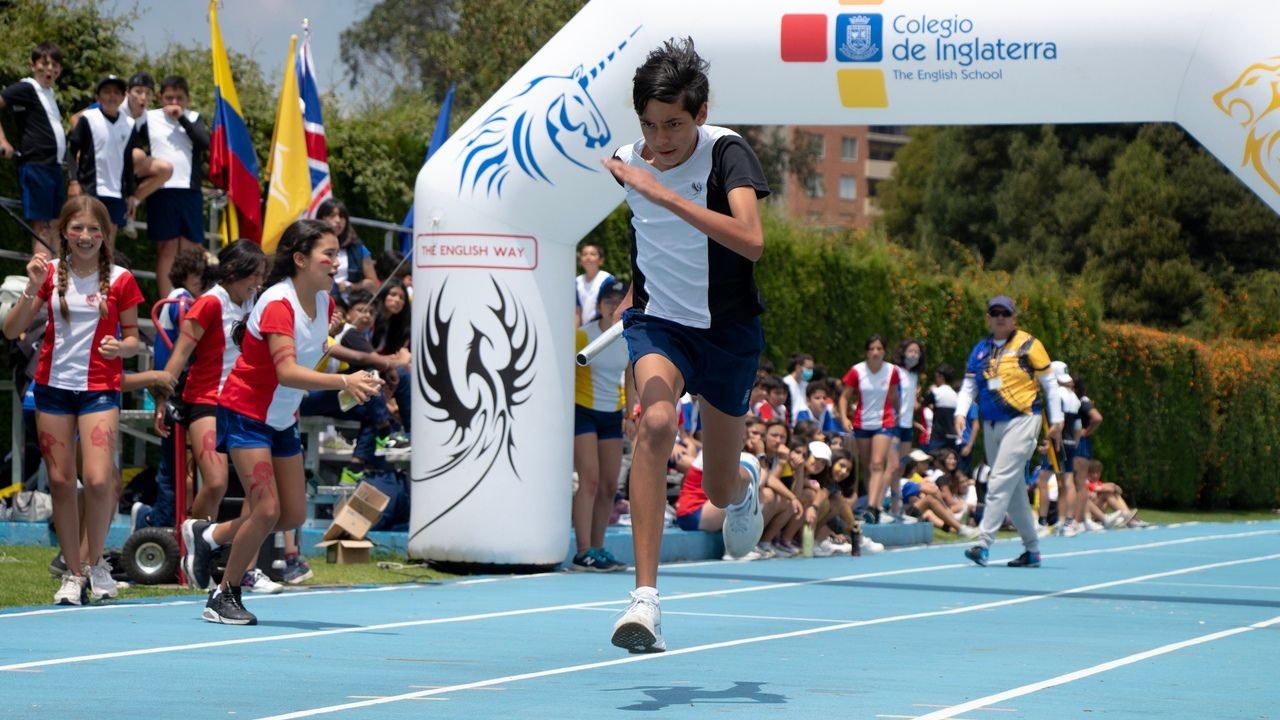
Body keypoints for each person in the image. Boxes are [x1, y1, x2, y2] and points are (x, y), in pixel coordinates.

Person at [602, 37, 769, 653]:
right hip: (660, 324)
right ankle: (645, 599)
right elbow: (648, 241)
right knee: (655, 422)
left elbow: (751, 240)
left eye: (673, 124)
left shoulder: (727, 151)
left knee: (719, 489)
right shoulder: (628, 160)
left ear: (700, 113)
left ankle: (743, 485)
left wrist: (664, 194)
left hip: (727, 332)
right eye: (650, 124)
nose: (661, 138)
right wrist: (629, 298)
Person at [201, 219, 383, 625]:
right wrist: (345, 380)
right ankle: (223, 594)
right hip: (247, 412)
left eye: (337, 254)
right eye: (328, 254)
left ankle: (210, 535)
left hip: (281, 417)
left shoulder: (325, 304)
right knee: (266, 510)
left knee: (292, 515)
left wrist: (352, 377)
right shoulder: (278, 304)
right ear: (300, 259)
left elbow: (310, 358)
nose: (337, 263)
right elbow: (286, 372)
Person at [3, 196, 144, 604]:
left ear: (105, 234)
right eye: (78, 228)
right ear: (64, 232)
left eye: (94, 229)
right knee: (62, 483)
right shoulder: (48, 273)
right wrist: (31, 288)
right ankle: (73, 572)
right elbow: (11, 330)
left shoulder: (121, 279)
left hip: (99, 389)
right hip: (52, 389)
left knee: (99, 480)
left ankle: (95, 562)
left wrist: (122, 347)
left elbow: (134, 338)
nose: (86, 236)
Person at [150, 241, 265, 587]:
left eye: (261, 276)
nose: (258, 283)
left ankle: (246, 569)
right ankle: (196, 546)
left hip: (245, 401)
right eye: (253, 275)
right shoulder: (209, 303)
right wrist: (161, 400)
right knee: (215, 481)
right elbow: (180, 354)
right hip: (206, 400)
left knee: (259, 491)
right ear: (233, 272)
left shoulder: (256, 303)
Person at [956, 295, 1063, 569]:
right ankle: (1032, 550)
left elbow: (1050, 384)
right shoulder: (980, 350)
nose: (1000, 318)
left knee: (999, 480)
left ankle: (983, 544)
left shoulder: (1029, 345)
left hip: (1023, 419)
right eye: (995, 313)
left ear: (1014, 318)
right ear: (988, 318)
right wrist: (960, 413)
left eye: (1005, 313)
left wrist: (1057, 420)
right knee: (1013, 491)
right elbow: (969, 386)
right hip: (991, 424)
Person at [130, 75, 210, 297]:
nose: (174, 103)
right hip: (161, 191)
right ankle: (166, 305)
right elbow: (131, 139)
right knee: (167, 249)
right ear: (160, 98)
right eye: (169, 98)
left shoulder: (194, 118)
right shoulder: (149, 117)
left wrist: (181, 117)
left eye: (179, 98)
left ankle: (193, 303)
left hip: (190, 191)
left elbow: (204, 142)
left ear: (187, 99)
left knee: (191, 250)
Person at [571, 280, 630, 572]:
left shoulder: (628, 336)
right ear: (598, 305)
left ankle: (598, 547)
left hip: (612, 413)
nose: (613, 306)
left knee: (608, 485)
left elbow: (632, 375)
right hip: (583, 411)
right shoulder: (583, 335)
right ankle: (583, 551)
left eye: (619, 301)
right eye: (608, 301)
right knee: (590, 480)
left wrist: (632, 413)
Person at [0, 42, 67, 256]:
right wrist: (3, 141)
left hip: (54, 167)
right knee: (42, 227)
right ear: (32, 65)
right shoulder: (27, 87)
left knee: (57, 224)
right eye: (44, 64)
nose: (49, 69)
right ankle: (42, 275)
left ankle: (57, 274)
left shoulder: (49, 93)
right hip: (35, 166)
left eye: (54, 65)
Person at [65, 75, 137, 244]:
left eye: (117, 92)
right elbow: (72, 151)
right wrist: (74, 181)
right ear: (98, 97)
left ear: (123, 97)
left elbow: (128, 161)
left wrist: (131, 194)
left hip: (116, 192)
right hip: (90, 188)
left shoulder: (129, 124)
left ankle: (106, 263)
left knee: (108, 241)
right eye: (107, 92)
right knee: (85, 238)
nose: (112, 96)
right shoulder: (88, 118)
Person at [838, 335, 900, 523]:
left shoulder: (892, 371)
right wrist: (844, 417)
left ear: (884, 351)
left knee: (877, 464)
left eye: (879, 349)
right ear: (866, 352)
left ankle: (873, 507)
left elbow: (893, 394)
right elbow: (844, 397)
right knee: (867, 466)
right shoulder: (857, 371)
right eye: (872, 349)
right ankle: (873, 505)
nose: (875, 352)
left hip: (884, 422)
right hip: (862, 423)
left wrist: (899, 413)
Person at [318, 197, 378, 300]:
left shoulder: (358, 248)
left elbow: (373, 284)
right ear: (321, 218)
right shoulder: (310, 245)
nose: (338, 220)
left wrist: (353, 286)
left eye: (342, 216)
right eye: (332, 216)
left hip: (348, 304)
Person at [574, 241, 614, 326]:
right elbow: (577, 311)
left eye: (592, 254)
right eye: (584, 254)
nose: (588, 257)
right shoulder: (576, 282)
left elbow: (612, 308)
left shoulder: (608, 280)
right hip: (584, 329)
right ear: (580, 261)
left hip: (603, 328)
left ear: (601, 260)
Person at [782, 352, 813, 422]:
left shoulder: (806, 385)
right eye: (808, 368)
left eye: (811, 369)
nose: (810, 371)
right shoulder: (786, 382)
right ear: (798, 367)